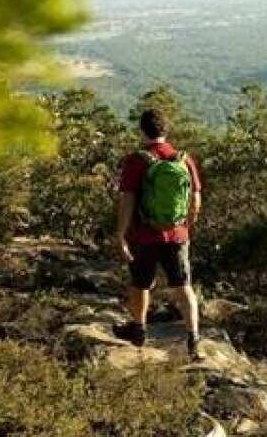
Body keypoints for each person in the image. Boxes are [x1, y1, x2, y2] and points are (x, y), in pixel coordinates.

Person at [113, 108, 204, 359]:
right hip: (177, 235)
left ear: (142, 130)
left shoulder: (137, 160)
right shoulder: (182, 159)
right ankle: (193, 339)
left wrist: (121, 234)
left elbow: (128, 200)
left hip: (144, 235)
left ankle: (139, 330)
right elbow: (196, 199)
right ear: (166, 130)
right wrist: (186, 228)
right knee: (184, 287)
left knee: (141, 283)